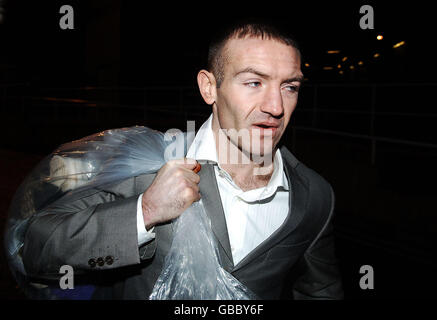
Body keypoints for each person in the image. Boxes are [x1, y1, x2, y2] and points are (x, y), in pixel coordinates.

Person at [21, 21, 344, 299]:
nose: (275, 106)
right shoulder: (145, 164)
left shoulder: (314, 195)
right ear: (209, 88)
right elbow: (38, 248)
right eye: (253, 82)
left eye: (289, 86)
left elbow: (320, 290)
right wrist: (144, 210)